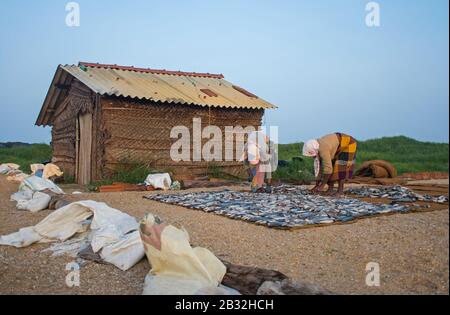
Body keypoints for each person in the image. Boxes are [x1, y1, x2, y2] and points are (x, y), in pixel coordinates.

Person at [302, 132, 357, 196]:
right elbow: (318, 168)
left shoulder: (323, 149)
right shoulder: (316, 147)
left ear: (314, 150)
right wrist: (317, 185)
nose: (312, 156)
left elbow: (328, 169)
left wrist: (322, 186)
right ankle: (330, 189)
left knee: (341, 168)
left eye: (312, 154)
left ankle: (340, 191)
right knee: (333, 166)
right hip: (337, 146)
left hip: (348, 143)